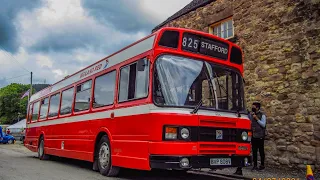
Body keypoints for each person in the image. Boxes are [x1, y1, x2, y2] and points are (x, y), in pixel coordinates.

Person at [234, 102, 267, 175]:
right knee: (254, 151)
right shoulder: (251, 115)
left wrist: (257, 119)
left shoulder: (262, 115)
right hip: (253, 135)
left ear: (257, 107)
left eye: (254, 107)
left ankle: (262, 165)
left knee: (261, 151)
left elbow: (263, 125)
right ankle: (255, 165)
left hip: (260, 136)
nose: (253, 108)